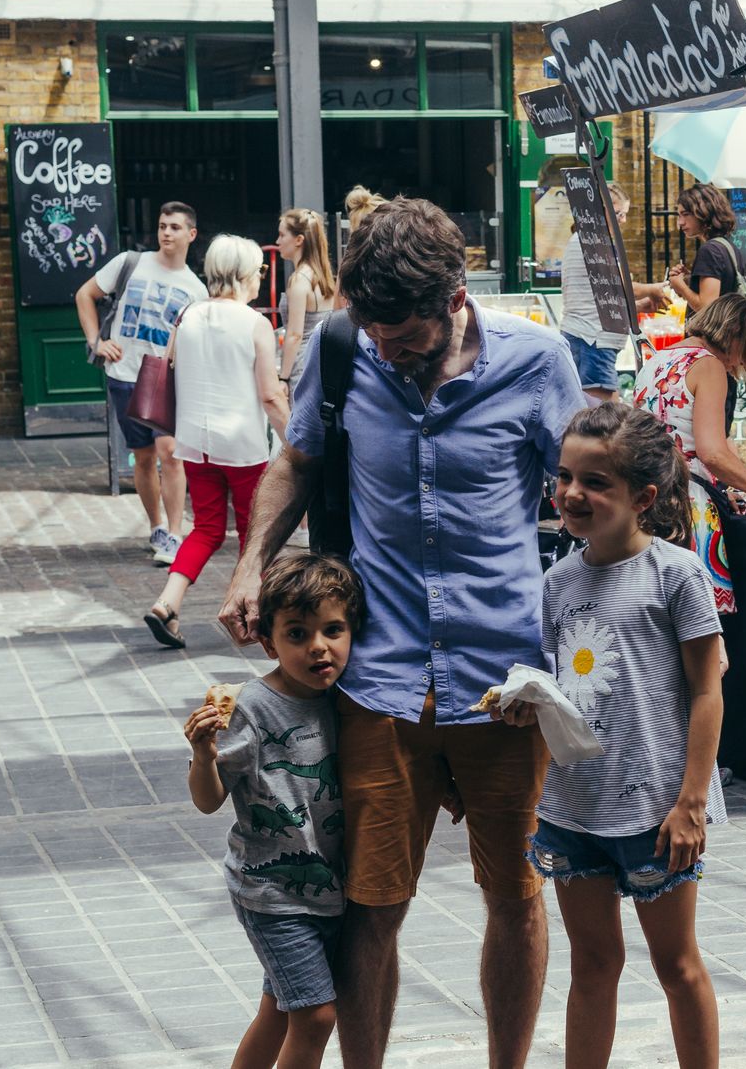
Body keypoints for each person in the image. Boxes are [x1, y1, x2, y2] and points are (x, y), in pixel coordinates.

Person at [216, 197, 585, 1069]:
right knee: (372, 904)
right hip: (380, 681)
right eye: (372, 329)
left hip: (507, 687)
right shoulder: (343, 352)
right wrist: (246, 566)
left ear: (457, 295)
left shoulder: (536, 360)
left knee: (515, 895)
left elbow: (581, 490)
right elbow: (298, 459)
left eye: (403, 333)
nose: (386, 348)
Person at [497, 402, 723, 1069]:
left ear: (644, 497)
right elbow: (560, 689)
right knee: (592, 963)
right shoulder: (557, 581)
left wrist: (691, 801)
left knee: (676, 965)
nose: (571, 493)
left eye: (595, 482)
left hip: (655, 812)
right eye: (565, 475)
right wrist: (524, 705)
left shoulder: (677, 574)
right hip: (572, 809)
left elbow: (709, 689)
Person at [183, 551, 362, 1069]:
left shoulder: (349, 697)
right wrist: (203, 755)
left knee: (279, 1011)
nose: (319, 647)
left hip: (329, 887)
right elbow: (208, 799)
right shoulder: (252, 709)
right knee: (316, 1016)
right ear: (268, 641)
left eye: (333, 629)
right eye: (298, 634)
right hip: (271, 893)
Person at [144, 235, 293, 651]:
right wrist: (297, 442)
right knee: (255, 532)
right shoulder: (254, 323)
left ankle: (166, 602)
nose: (260, 278)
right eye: (259, 272)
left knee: (207, 527)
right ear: (245, 273)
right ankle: (249, 613)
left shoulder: (187, 315)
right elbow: (270, 395)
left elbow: (171, 366)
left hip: (195, 442)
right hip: (242, 445)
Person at [632, 294, 746, 618]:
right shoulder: (707, 364)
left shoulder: (658, 358)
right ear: (733, 332)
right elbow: (712, 452)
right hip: (686, 504)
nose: (739, 361)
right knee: (696, 623)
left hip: (645, 498)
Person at [75, 202, 207, 566]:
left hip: (163, 378)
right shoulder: (130, 263)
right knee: (144, 457)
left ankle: (177, 533)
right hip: (124, 374)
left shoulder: (196, 289)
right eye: (163, 225)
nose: (167, 233)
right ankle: (157, 527)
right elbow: (85, 295)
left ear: (190, 235)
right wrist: (95, 342)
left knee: (170, 454)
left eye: (175, 227)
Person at [559, 181, 633, 400]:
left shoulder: (590, 240)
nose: (624, 221)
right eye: (619, 214)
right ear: (601, 211)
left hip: (591, 337)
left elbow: (602, 294)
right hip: (592, 338)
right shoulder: (593, 243)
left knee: (604, 410)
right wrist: (657, 289)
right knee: (601, 415)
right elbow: (617, 285)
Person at [277, 209, 338, 390]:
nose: (277, 242)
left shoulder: (299, 280)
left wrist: (284, 378)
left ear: (299, 240)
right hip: (323, 362)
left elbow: (295, 335)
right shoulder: (322, 276)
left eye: (281, 235)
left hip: (301, 366)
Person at [665, 185, 743, 315]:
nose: (680, 222)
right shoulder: (727, 247)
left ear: (704, 212)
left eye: (685, 214)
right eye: (679, 215)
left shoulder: (709, 250)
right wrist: (693, 278)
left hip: (710, 334)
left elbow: (706, 307)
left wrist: (680, 286)